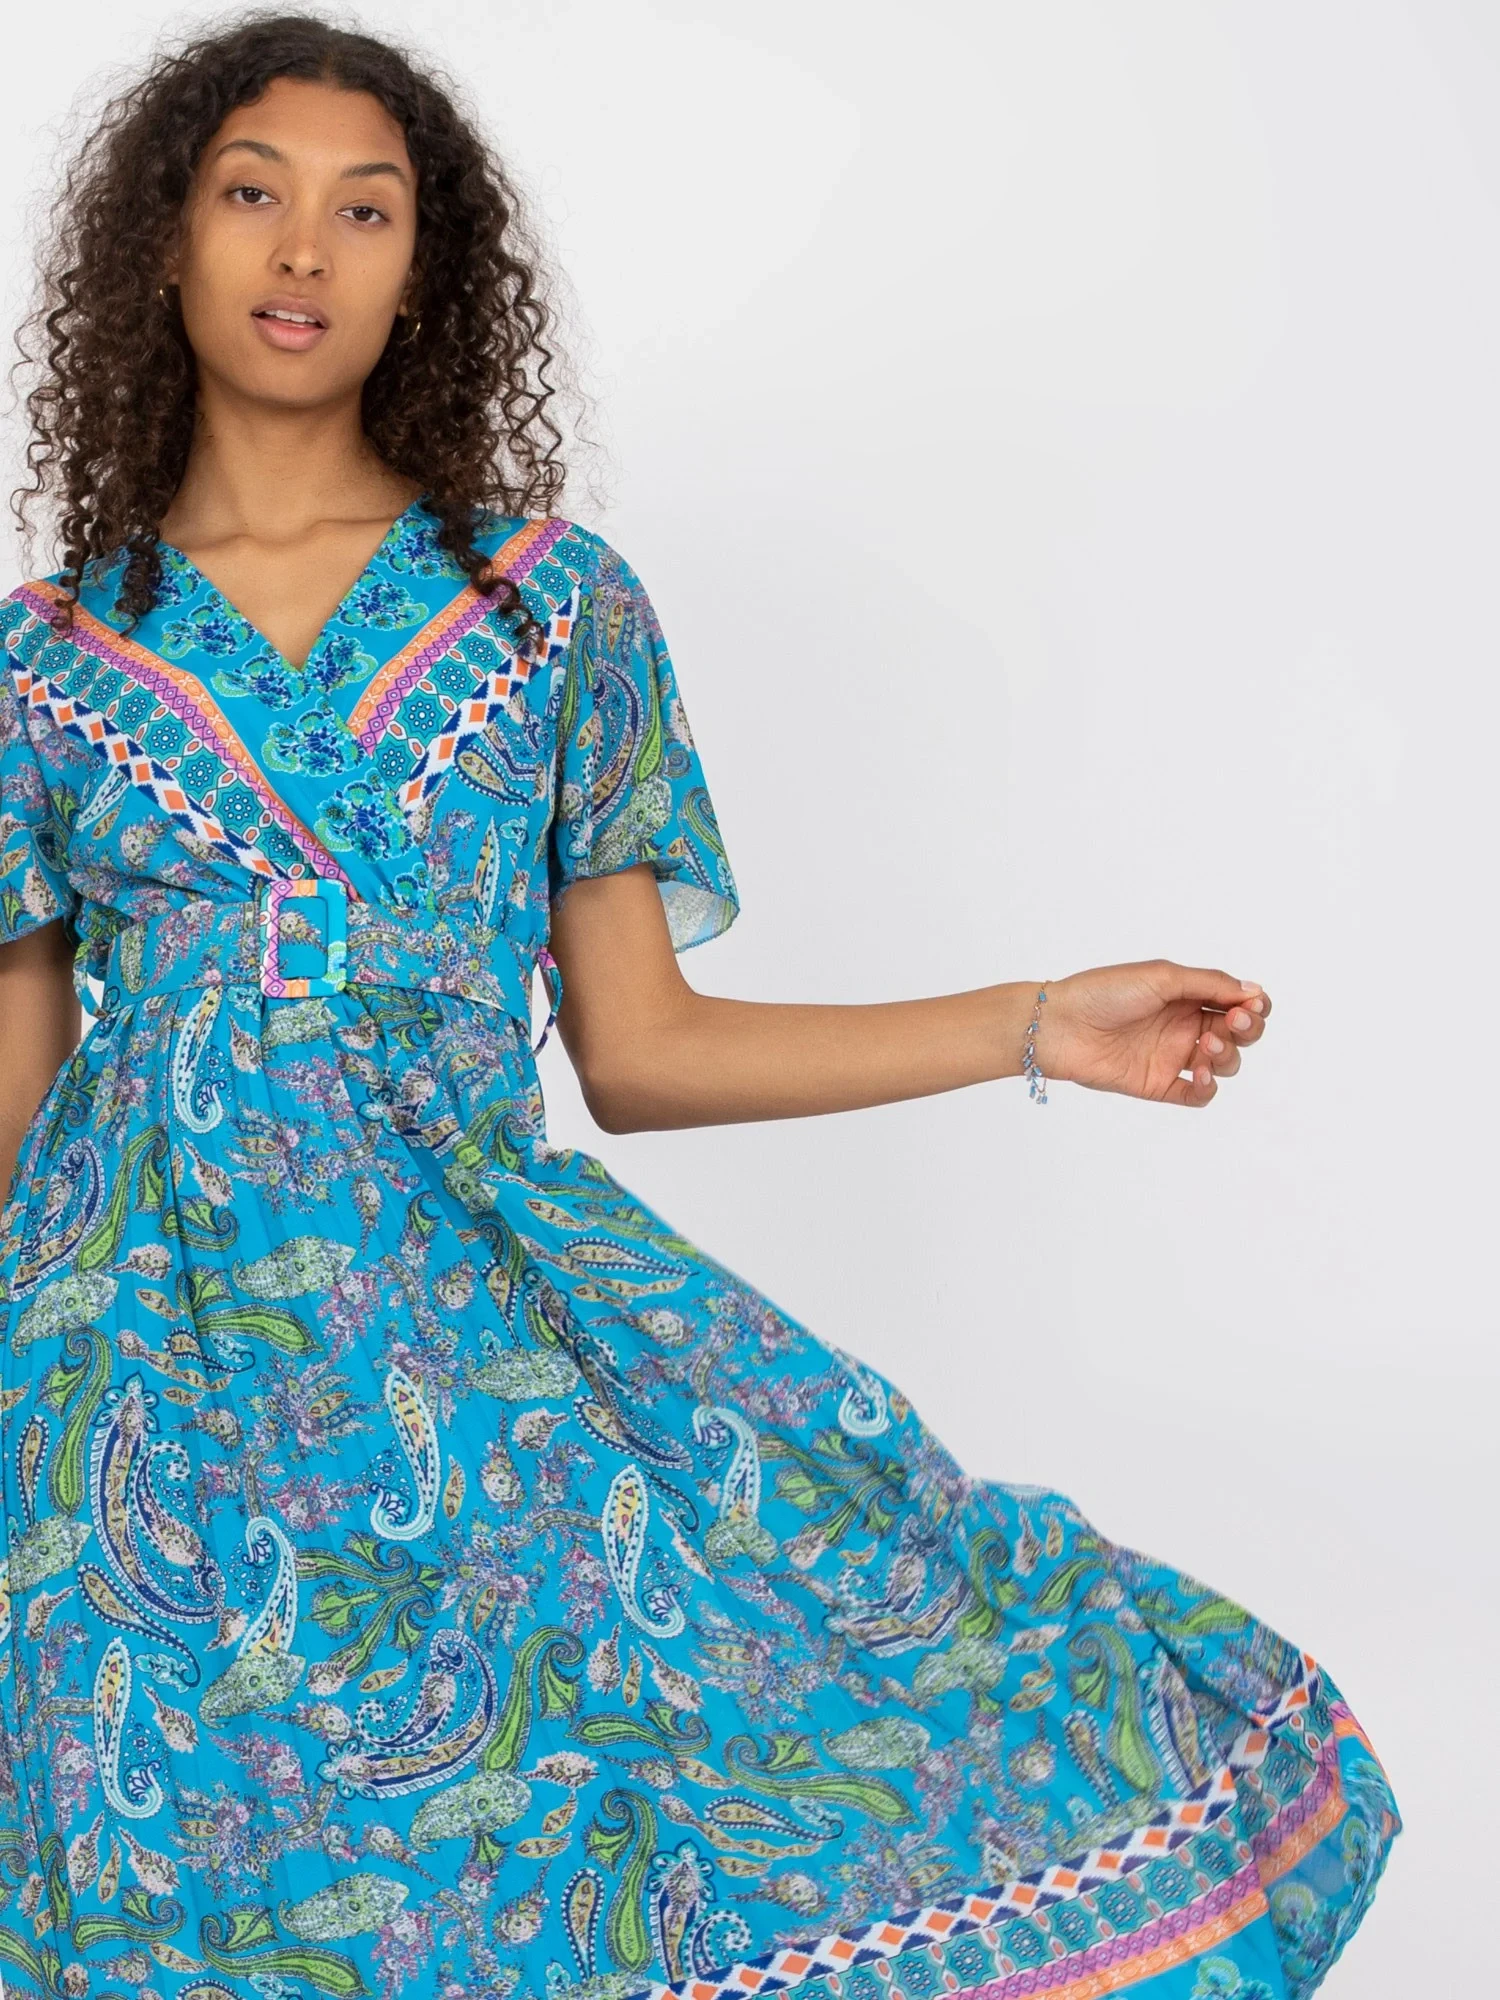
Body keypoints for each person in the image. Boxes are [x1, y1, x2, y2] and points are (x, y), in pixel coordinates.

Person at [0, 15, 1398, 2000]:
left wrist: (1036, 1022)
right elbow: (17, 1128)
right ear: (163, 239)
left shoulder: (550, 610)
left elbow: (642, 1051)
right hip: (127, 1402)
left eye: (366, 210)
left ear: (424, 273)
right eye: (252, 193)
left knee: (584, 1830)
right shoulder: (42, 667)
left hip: (473, 1362)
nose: (304, 248)